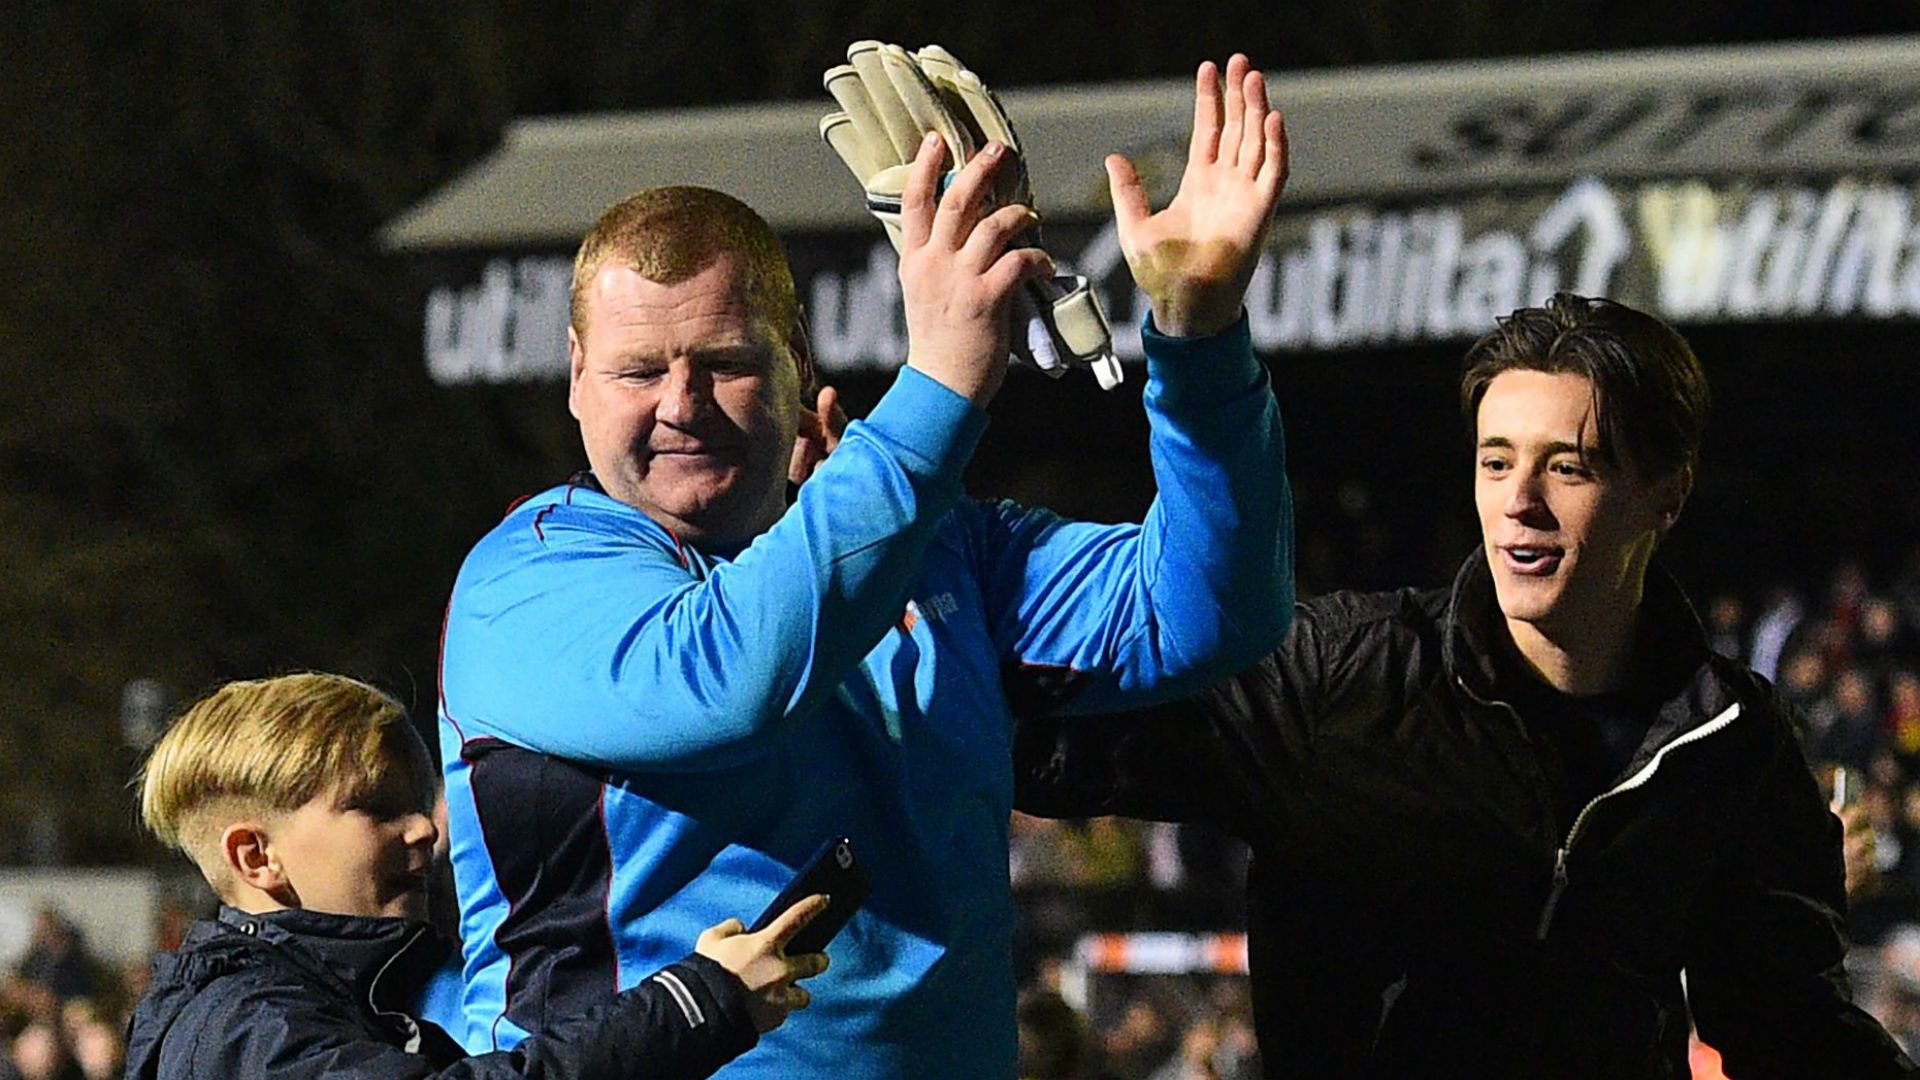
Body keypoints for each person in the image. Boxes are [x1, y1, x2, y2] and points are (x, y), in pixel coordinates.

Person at [436, 53, 1295, 1078]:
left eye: (725, 363)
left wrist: (1200, 344)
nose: (679, 403)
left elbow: (1209, 612)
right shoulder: (523, 583)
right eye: (636, 371)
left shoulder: (935, 549)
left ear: (796, 364)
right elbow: (732, 678)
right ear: (576, 378)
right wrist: (937, 388)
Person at [1013, 294, 1919, 1078]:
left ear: (1666, 495)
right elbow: (1048, 745)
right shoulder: (1340, 676)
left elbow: (1789, 1026)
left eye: (1567, 465)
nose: (1520, 498)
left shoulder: (1732, 742)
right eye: (1496, 461)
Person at [123, 672, 828, 1079]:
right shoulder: (245, 1023)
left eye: (417, 804)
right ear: (256, 857)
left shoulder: (320, 1004)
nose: (423, 829)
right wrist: (691, 1005)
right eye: (377, 809)